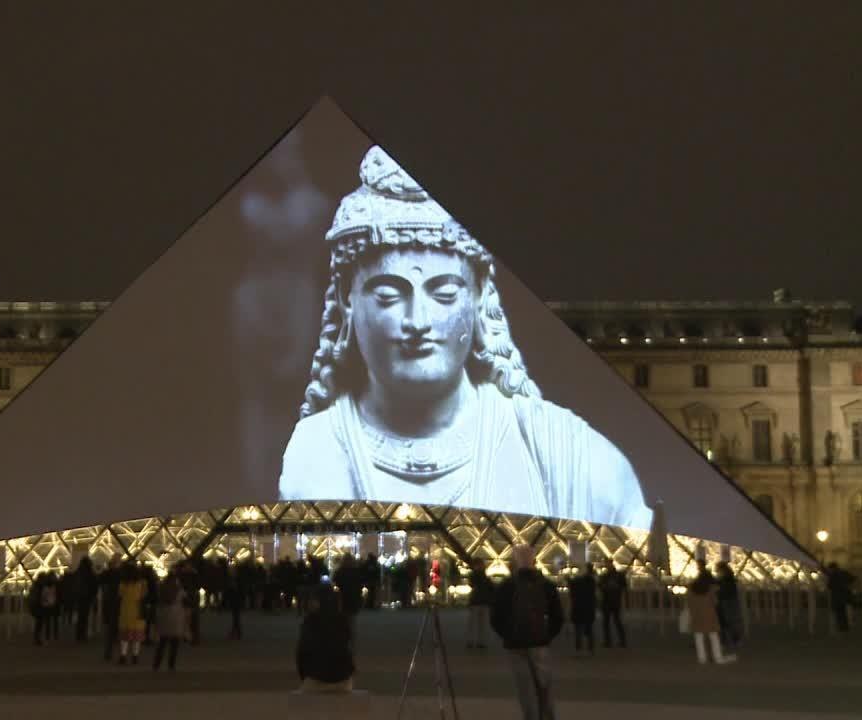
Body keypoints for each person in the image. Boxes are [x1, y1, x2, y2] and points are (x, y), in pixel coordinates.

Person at [279, 146, 652, 531]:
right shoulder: (314, 449)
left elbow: (646, 544)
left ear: (478, 297)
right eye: (389, 295)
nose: (417, 322)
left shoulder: (564, 453)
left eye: (443, 294)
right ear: (347, 299)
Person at [491, 545, 564, 720]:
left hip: (515, 643)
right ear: (534, 561)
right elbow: (558, 617)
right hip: (540, 642)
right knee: (544, 685)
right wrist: (548, 636)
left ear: (515, 563)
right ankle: (547, 715)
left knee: (524, 688)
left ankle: (530, 716)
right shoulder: (546, 585)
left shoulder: (506, 586)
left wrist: (507, 635)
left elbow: (495, 618)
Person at [296, 585, 355, 692]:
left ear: (318, 602)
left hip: (316, 678)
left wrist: (305, 676)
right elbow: (348, 649)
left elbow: (302, 652)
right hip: (343, 680)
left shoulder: (311, 621)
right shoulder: (343, 620)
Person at [687, 566, 736, 665]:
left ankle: (702, 658)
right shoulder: (711, 589)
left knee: (699, 637)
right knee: (714, 637)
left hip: (696, 615)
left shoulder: (691, 589)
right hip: (709, 615)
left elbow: (689, 602)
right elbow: (715, 602)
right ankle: (718, 657)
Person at [152, 574, 186, 671]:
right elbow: (186, 601)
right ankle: (171, 665)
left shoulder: (162, 589)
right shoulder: (179, 590)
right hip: (176, 617)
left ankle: (156, 664)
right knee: (174, 644)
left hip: (164, 616)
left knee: (162, 643)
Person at [117, 562, 147, 664]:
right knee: (137, 637)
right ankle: (135, 656)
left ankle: (123, 655)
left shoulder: (122, 584)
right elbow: (144, 595)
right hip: (138, 610)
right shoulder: (142, 583)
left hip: (125, 611)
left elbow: (120, 595)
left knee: (125, 636)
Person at [568, 564, 597, 656]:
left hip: (578, 608)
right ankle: (590, 649)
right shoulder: (591, 582)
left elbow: (572, 591)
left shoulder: (577, 582)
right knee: (588, 629)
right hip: (588, 608)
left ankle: (579, 648)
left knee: (578, 630)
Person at [714, 562, 743, 650]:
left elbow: (723, 591)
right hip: (729, 602)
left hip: (725, 602)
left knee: (725, 623)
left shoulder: (724, 579)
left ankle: (728, 641)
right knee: (729, 623)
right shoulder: (729, 578)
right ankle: (734, 640)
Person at [598, 562, 628, 649]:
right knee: (616, 621)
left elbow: (600, 586)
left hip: (608, 601)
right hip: (614, 601)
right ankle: (621, 641)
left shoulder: (605, 576)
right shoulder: (618, 576)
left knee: (608, 623)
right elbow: (624, 587)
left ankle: (608, 641)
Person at [465, 559, 494, 649]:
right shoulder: (483, 577)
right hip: (482, 601)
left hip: (477, 601)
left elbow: (472, 584)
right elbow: (491, 588)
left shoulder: (474, 575)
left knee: (475, 623)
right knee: (481, 623)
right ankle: (479, 641)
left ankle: (473, 641)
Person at [99, 556, 123, 660]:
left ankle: (109, 652)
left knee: (110, 630)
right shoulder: (121, 575)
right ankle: (120, 653)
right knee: (117, 630)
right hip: (118, 604)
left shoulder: (106, 574)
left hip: (109, 603)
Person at [333, 554, 362, 640]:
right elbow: (360, 584)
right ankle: (351, 637)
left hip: (343, 597)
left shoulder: (340, 571)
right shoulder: (356, 571)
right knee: (351, 619)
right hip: (353, 596)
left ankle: (343, 636)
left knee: (343, 618)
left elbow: (336, 582)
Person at [825, 563, 856, 633]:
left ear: (832, 568)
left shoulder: (833, 575)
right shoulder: (844, 572)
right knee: (844, 612)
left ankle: (841, 627)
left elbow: (829, 586)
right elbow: (853, 578)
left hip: (837, 596)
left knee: (839, 613)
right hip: (845, 595)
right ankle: (845, 627)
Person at [73, 556, 97, 643]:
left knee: (80, 617)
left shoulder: (78, 572)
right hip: (87, 597)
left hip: (79, 597)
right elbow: (94, 584)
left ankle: (78, 634)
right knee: (85, 616)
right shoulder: (90, 573)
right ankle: (83, 635)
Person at [225, 562, 245, 640]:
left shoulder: (236, 580)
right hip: (235, 600)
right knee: (236, 617)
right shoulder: (233, 580)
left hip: (236, 600)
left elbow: (238, 591)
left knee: (236, 617)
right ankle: (236, 632)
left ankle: (236, 632)